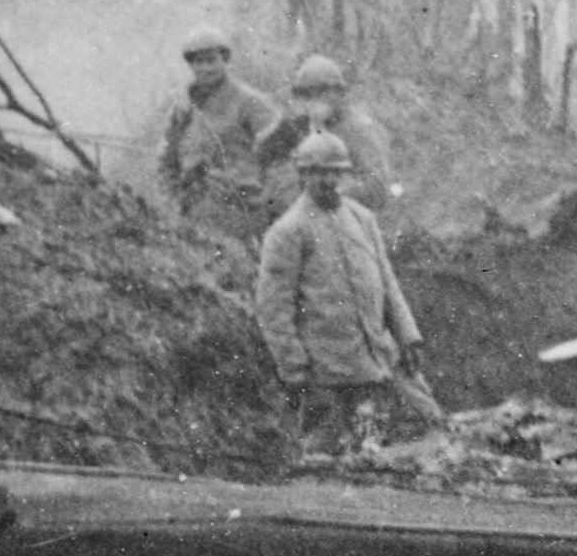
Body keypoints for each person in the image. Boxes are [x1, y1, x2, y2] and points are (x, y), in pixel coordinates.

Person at [254, 131, 436, 443]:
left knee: (431, 424)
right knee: (333, 454)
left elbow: (387, 282)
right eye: (318, 172)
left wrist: (408, 337)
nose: (328, 180)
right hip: (330, 374)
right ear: (303, 174)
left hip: (382, 357)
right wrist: (295, 372)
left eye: (335, 171)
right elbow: (274, 310)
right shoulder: (287, 232)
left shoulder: (362, 219)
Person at [154, 29, 276, 221]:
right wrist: (171, 203)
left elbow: (278, 153)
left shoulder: (250, 102)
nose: (205, 68)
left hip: (243, 209)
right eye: (198, 62)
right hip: (193, 209)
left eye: (211, 60)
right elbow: (167, 159)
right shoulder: (184, 108)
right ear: (190, 65)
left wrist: (264, 199)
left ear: (225, 60)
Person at [257, 48, 389, 211]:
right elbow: (260, 155)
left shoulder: (358, 130)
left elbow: (377, 187)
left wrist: (328, 193)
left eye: (323, 92)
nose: (314, 100)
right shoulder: (297, 125)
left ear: (338, 94)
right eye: (306, 94)